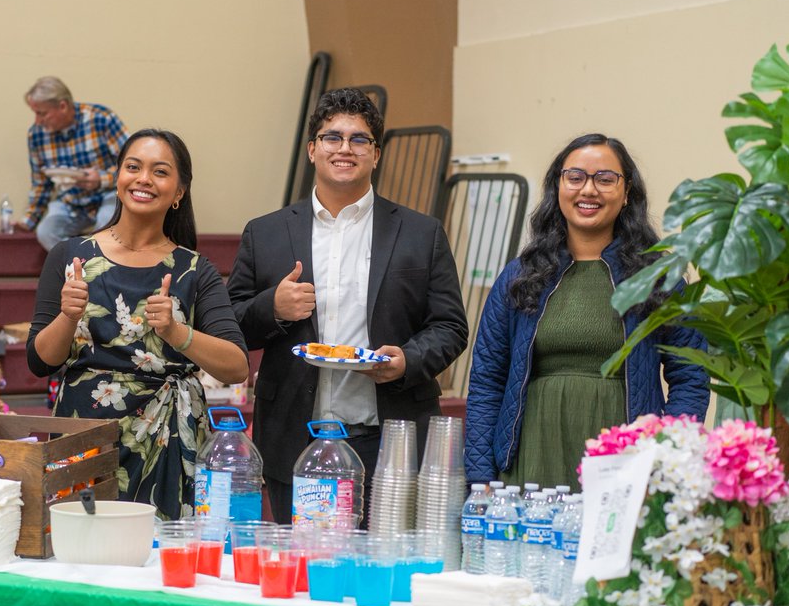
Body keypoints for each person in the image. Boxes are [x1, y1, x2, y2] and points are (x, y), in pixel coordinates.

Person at [228, 87, 469, 525]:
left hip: (389, 435)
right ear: (312, 149)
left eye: (359, 139)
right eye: (332, 137)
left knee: (389, 574)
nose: (345, 148)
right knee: (303, 574)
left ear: (375, 154)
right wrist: (274, 307)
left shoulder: (421, 233)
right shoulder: (265, 233)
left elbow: (450, 325)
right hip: (294, 434)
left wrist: (408, 360)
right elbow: (232, 326)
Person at [464, 133, 710, 488]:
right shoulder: (519, 277)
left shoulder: (658, 279)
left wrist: (665, 458)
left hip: (627, 465)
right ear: (557, 187)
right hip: (530, 459)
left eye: (605, 179)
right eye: (575, 177)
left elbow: (691, 378)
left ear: (627, 194)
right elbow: (487, 381)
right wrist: (480, 475)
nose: (588, 190)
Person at [26, 129, 248, 520]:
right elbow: (40, 361)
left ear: (179, 191)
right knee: (80, 557)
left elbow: (236, 365)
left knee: (159, 563)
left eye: (160, 172)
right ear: (118, 177)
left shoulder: (195, 270)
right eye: (133, 167)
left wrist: (178, 333)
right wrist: (67, 317)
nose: (143, 179)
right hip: (85, 435)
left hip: (169, 440)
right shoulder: (70, 255)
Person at [21, 76, 129, 251]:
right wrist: (28, 221)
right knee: (46, 232)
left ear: (62, 106)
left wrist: (102, 179)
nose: (37, 121)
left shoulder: (102, 119)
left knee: (106, 226)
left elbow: (133, 165)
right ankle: (81, 270)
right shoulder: (36, 135)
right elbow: (41, 183)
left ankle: (98, 272)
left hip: (109, 195)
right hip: (70, 201)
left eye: (42, 113)